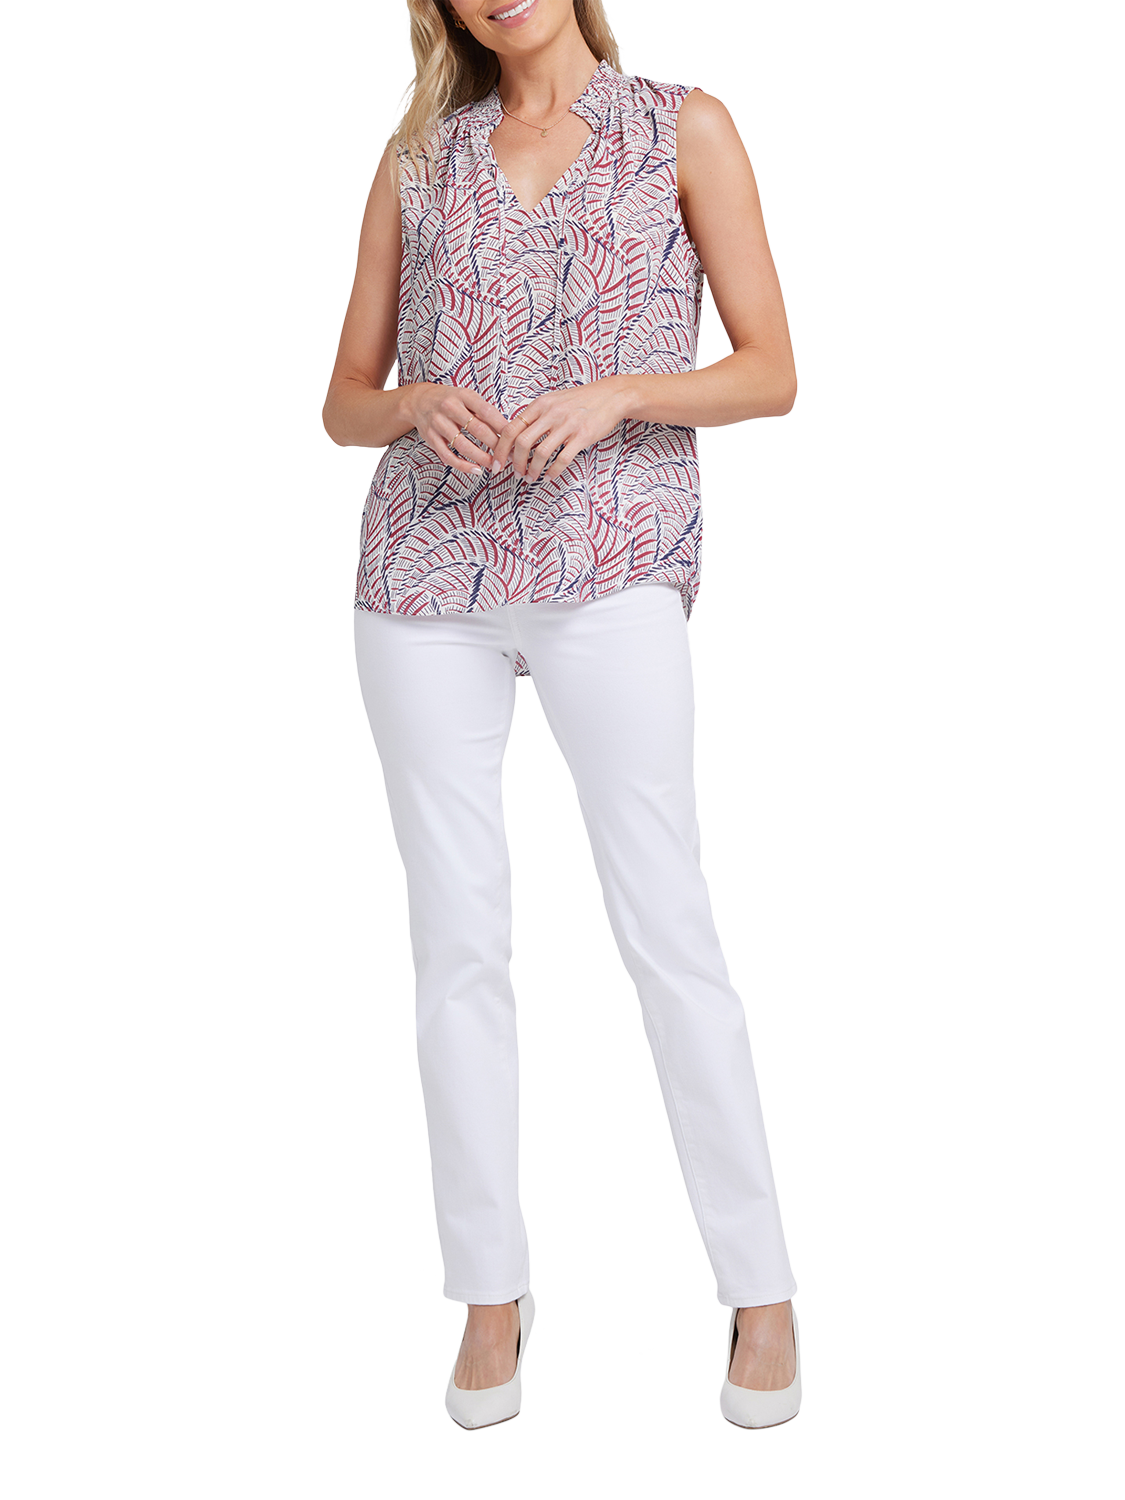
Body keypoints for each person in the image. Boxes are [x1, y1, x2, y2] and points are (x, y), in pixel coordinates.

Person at [322, 0, 802, 1430]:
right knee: (457, 940)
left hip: (612, 559)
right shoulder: (420, 155)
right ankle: (488, 1292)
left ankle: (762, 1287)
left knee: (669, 925)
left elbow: (772, 369)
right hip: (425, 573)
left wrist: (622, 397)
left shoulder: (682, 128)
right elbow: (342, 400)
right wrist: (412, 406)